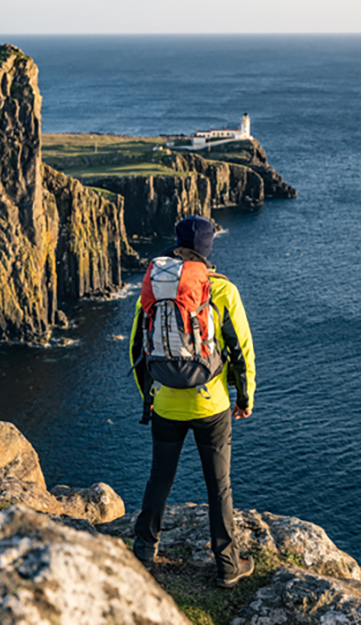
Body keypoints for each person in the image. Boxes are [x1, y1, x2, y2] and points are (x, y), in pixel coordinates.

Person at [129, 215, 256, 588]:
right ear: (207, 249)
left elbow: (138, 349)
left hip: (166, 403)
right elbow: (241, 351)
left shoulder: (154, 286)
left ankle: (142, 552)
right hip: (211, 406)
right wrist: (244, 397)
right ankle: (228, 565)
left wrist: (148, 399)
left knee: (159, 480)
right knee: (219, 486)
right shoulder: (221, 290)